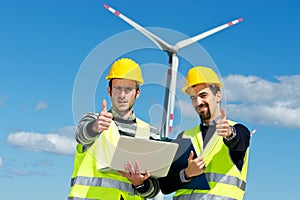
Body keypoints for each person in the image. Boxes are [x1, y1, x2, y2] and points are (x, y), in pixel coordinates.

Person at [68, 58, 160, 200]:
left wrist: (140, 183)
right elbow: (81, 136)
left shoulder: (151, 133)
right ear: (109, 90)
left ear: (137, 93)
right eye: (118, 88)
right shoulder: (93, 120)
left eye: (128, 89)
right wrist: (95, 127)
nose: (122, 95)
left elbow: (154, 190)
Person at [159, 66, 251, 200]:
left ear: (218, 96)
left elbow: (240, 142)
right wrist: (187, 174)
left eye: (203, 95)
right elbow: (165, 186)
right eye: (193, 98)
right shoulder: (184, 137)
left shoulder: (237, 129)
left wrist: (230, 133)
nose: (198, 102)